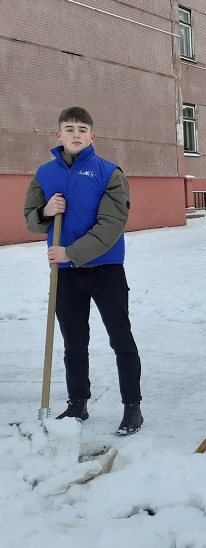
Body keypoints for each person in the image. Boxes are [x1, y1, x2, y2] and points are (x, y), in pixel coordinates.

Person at [23, 106, 143, 435]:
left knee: (121, 339)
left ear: (93, 136)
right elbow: (31, 218)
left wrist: (70, 252)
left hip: (105, 269)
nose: (75, 134)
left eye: (81, 129)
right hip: (66, 274)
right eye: (69, 128)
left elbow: (111, 225)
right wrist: (46, 211)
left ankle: (132, 407)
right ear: (58, 135)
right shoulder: (44, 174)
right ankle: (78, 403)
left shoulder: (109, 173)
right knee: (74, 342)